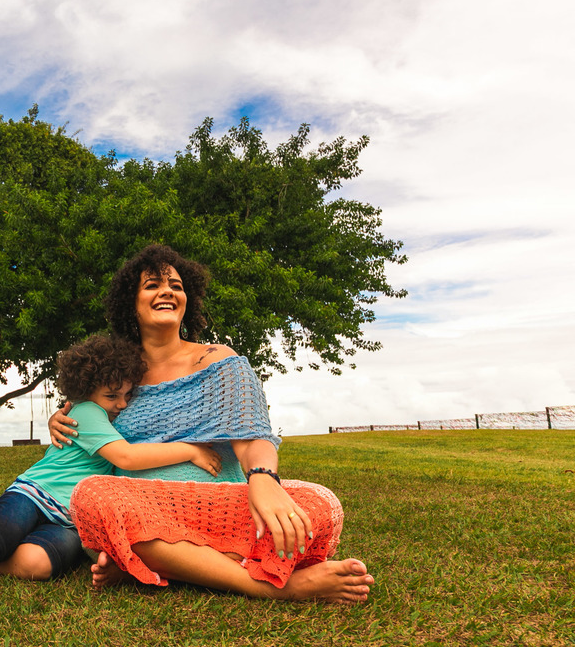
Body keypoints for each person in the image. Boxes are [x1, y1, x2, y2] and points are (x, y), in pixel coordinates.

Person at [50, 244, 374, 604]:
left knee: (320, 504)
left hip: (220, 509)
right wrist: (59, 418)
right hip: (142, 510)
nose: (167, 291)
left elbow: (252, 436)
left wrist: (264, 479)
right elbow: (83, 416)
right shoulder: (114, 376)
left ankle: (153, 564)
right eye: (152, 284)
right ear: (131, 302)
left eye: (176, 284)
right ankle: (271, 586)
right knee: (91, 496)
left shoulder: (219, 360)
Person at [0, 335, 223, 580]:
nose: (121, 404)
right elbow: (126, 457)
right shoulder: (88, 412)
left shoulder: (111, 417)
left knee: (35, 566)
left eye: (127, 395)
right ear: (85, 390)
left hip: (71, 520)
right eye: (113, 396)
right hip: (38, 493)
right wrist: (190, 450)